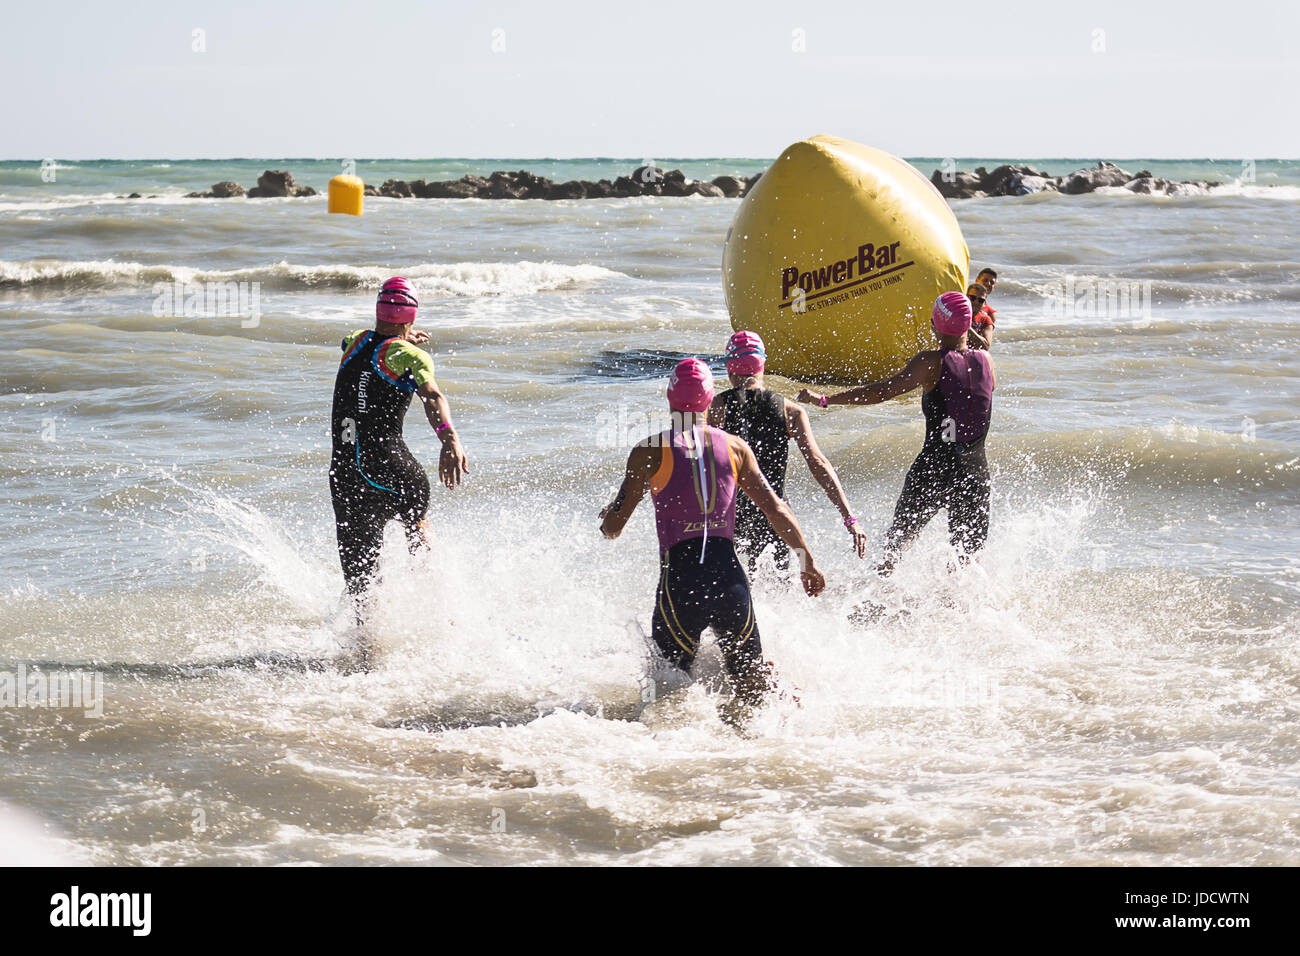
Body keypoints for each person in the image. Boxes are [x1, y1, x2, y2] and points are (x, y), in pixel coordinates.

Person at [600, 359, 825, 715]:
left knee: (667, 701)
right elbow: (777, 509)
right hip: (730, 580)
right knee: (754, 693)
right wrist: (806, 561)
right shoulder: (736, 448)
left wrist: (611, 511)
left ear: (670, 399)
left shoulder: (648, 451)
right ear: (708, 401)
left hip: (680, 584)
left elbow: (613, 529)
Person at [797, 292, 995, 575]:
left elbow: (881, 391)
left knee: (896, 547)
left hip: (934, 469)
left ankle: (876, 605)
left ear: (935, 325)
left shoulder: (930, 362)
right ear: (968, 326)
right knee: (967, 562)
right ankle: (962, 616)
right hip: (975, 473)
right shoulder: (987, 361)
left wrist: (826, 399)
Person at [329, 276, 469, 666]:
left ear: (379, 312)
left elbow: (375, 358)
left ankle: (364, 655)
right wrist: (449, 440)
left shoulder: (354, 341)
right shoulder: (411, 357)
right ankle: (446, 625)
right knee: (418, 536)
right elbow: (432, 395)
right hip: (392, 469)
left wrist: (402, 341)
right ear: (411, 317)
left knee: (361, 578)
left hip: (344, 476)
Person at [709, 330, 867, 568]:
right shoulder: (790, 411)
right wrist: (850, 519)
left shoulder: (716, 408)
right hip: (776, 515)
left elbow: (697, 465)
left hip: (729, 515)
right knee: (776, 589)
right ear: (762, 365)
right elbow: (818, 463)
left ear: (730, 367)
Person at [972, 268, 998, 347]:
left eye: (992, 282)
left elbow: (985, 341)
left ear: (994, 287)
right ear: (977, 280)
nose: (988, 284)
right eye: (985, 280)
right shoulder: (963, 301)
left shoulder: (991, 313)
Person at [965, 282, 991, 350]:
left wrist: (965, 326)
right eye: (972, 298)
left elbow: (985, 346)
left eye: (980, 300)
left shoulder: (985, 320)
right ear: (966, 297)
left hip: (973, 357)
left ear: (984, 303)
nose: (976, 302)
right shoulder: (954, 315)